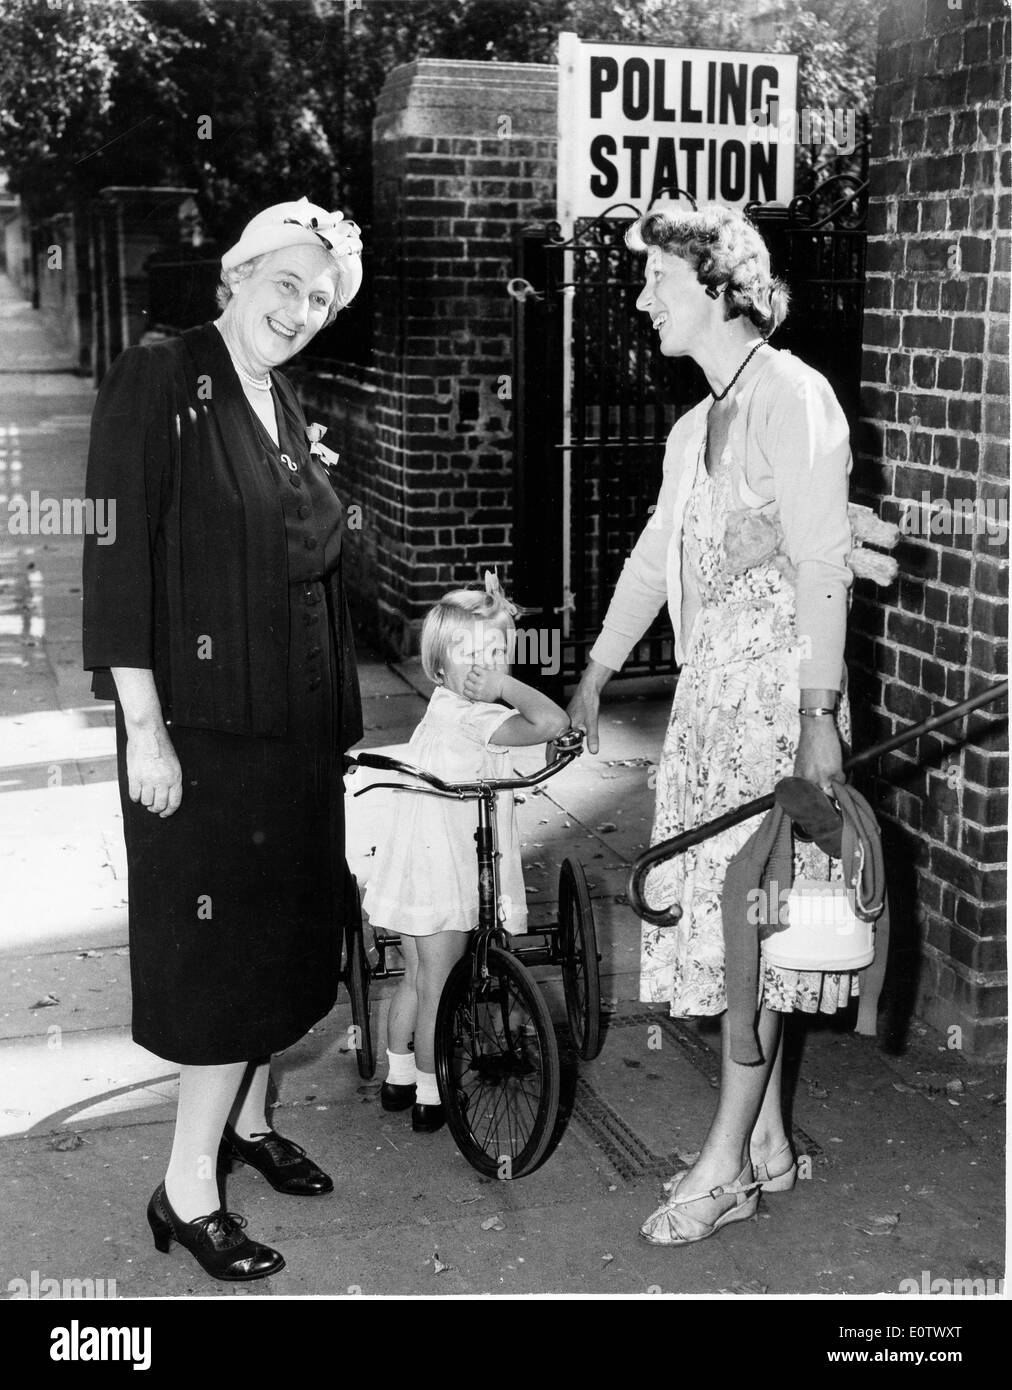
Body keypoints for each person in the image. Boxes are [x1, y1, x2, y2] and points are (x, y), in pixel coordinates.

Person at [82, 198, 364, 1282]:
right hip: (200, 729)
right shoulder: (161, 375)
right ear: (236, 277)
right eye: (284, 283)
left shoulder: (276, 396)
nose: (299, 309)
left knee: (282, 939)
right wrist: (143, 731)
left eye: (319, 297)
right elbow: (116, 562)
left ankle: (244, 1124)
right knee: (220, 955)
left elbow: (289, 544)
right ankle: (186, 1186)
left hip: (290, 721)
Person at [566, 202, 857, 1246]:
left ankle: (725, 1163)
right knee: (741, 934)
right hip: (707, 711)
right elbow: (657, 555)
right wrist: (597, 668)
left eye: (657, 280)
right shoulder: (695, 426)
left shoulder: (795, 398)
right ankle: (770, 1140)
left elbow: (824, 562)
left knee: (752, 935)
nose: (643, 298)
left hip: (777, 710)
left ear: (720, 284)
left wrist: (818, 716)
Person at [362, 576, 570, 1132]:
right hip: (445, 865)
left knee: (418, 977)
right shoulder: (474, 715)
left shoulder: (447, 703)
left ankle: (399, 1076)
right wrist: (507, 685)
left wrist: (499, 684)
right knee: (442, 981)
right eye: (471, 655)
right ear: (439, 665)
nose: (485, 666)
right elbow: (553, 723)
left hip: (421, 860)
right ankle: (433, 1093)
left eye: (498, 653)